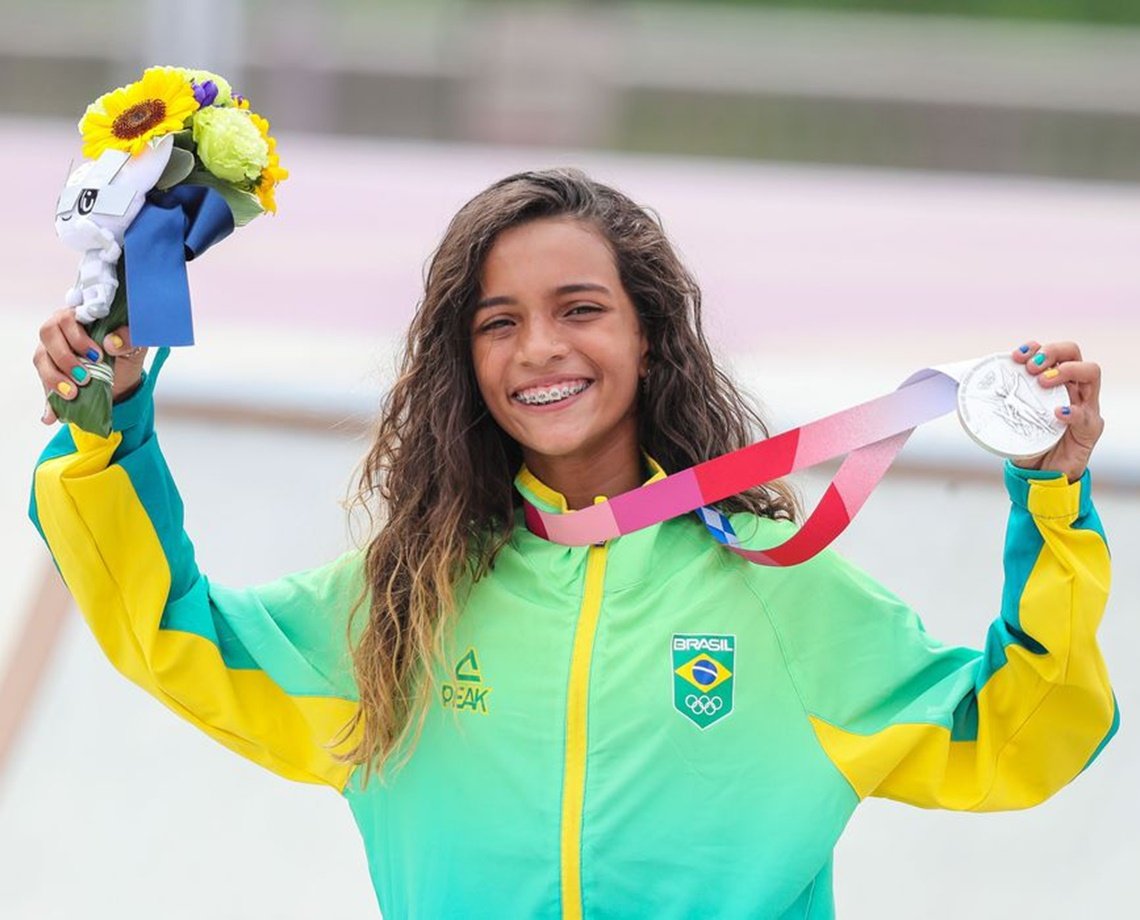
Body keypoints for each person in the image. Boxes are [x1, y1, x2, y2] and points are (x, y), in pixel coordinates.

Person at [30, 169, 1115, 919]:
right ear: (467, 360)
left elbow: (1018, 732)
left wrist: (1053, 496)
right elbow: (173, 628)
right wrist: (108, 417)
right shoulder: (407, 599)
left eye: (580, 307)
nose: (539, 347)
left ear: (649, 332)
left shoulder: (780, 596)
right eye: (499, 321)